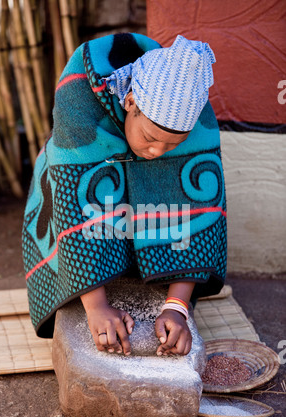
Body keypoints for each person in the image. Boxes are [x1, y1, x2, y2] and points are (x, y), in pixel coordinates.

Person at [22, 33, 227, 358]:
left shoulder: (192, 114)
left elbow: (199, 210)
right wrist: (97, 307)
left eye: (173, 144)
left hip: (133, 201)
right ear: (130, 101)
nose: (158, 150)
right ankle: (97, 273)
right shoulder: (79, 100)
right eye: (150, 136)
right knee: (82, 188)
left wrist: (177, 308)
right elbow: (72, 204)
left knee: (180, 173)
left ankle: (144, 262)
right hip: (81, 188)